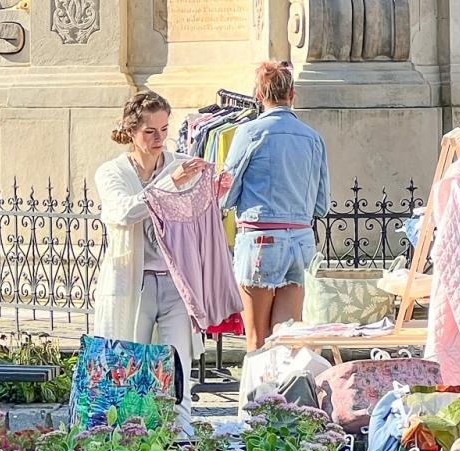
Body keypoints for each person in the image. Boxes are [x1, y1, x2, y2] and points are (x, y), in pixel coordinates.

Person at [94, 91, 209, 429]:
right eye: (150, 132)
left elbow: (196, 218)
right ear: (131, 132)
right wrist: (169, 186)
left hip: (175, 281)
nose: (159, 139)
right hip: (132, 282)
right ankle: (126, 438)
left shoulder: (179, 165)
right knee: (128, 363)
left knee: (178, 367)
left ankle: (183, 440)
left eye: (164, 129)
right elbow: (122, 212)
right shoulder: (111, 172)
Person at [222, 62, 331, 352]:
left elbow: (226, 194)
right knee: (287, 340)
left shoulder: (250, 133)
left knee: (256, 340)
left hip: (260, 239)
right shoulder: (313, 138)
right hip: (300, 241)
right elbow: (321, 204)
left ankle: (255, 396)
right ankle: (284, 397)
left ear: (259, 95)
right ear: (292, 94)